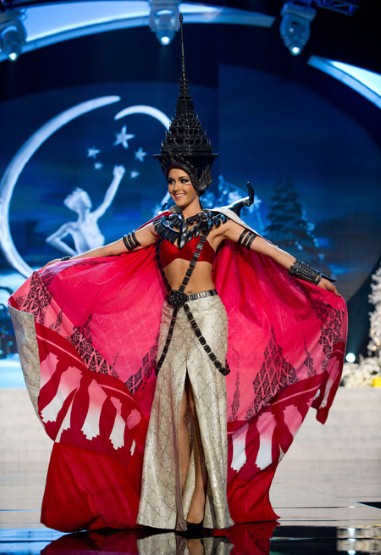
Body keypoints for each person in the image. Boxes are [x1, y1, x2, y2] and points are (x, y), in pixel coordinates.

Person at [8, 17, 347, 534]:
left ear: (199, 179)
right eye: (171, 179)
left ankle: (203, 508)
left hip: (209, 320)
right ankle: (169, 508)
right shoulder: (159, 224)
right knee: (172, 413)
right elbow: (107, 251)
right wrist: (61, 267)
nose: (176, 186)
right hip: (172, 323)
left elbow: (273, 253)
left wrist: (316, 277)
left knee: (203, 407)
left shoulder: (218, 223)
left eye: (183, 179)